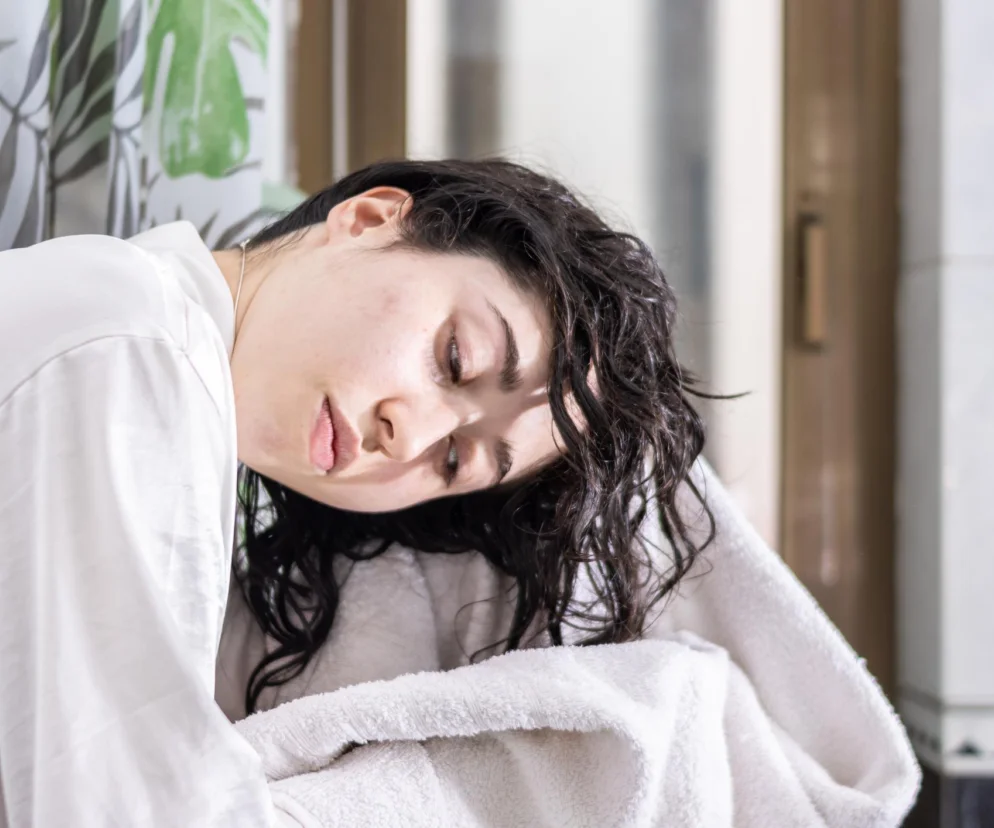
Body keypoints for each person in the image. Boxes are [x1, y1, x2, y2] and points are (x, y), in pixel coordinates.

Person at [0, 159, 710, 825]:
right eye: (454, 359)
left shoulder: (155, 360)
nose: (408, 438)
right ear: (370, 219)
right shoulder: (136, 353)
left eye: (455, 459)